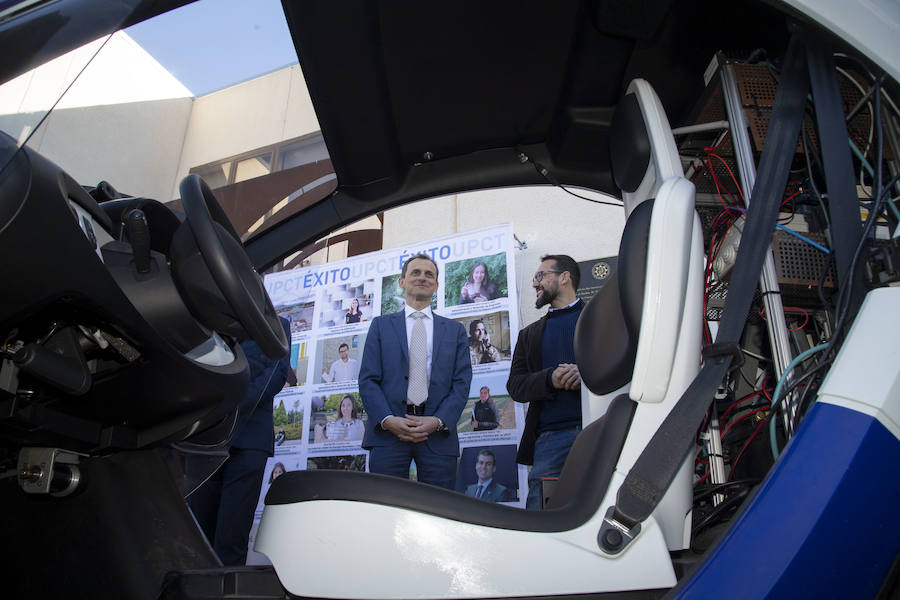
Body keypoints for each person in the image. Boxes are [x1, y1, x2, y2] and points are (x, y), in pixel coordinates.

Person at [187, 317, 297, 565]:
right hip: (202, 439)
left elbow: (276, 376)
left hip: (248, 441)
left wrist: (226, 409)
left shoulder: (276, 325)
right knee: (196, 534)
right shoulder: (202, 320)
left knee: (232, 538)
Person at [359, 254, 472, 489]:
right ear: (402, 282)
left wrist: (438, 421)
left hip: (438, 436)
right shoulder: (380, 326)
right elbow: (368, 380)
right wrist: (388, 420)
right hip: (388, 434)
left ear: (437, 285)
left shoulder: (455, 330)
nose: (422, 278)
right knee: (386, 508)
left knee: (440, 511)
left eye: (429, 274)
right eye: (415, 273)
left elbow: (461, 382)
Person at [507, 254, 584, 510]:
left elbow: (628, 367)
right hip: (550, 441)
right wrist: (550, 378)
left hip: (604, 432)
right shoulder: (529, 335)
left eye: (540, 276)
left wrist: (584, 374)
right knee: (540, 517)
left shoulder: (602, 319)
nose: (534, 284)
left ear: (564, 278)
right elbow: (515, 386)